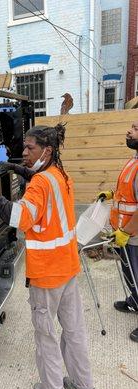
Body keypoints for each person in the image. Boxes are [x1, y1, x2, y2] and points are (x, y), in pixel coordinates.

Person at [0, 124, 99, 389]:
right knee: (74, 331)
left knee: (46, 336)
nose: (24, 152)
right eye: (24, 147)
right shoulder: (60, 175)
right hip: (67, 268)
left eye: (30, 148)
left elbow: (18, 216)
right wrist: (18, 169)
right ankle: (83, 385)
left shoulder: (41, 183)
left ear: (48, 150)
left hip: (46, 275)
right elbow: (41, 187)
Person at [98, 121, 138, 343]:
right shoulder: (133, 161)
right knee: (130, 273)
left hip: (134, 235)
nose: (129, 131)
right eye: (131, 127)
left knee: (137, 275)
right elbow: (129, 192)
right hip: (127, 232)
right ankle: (134, 302)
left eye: (136, 128)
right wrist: (112, 194)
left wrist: (127, 232)